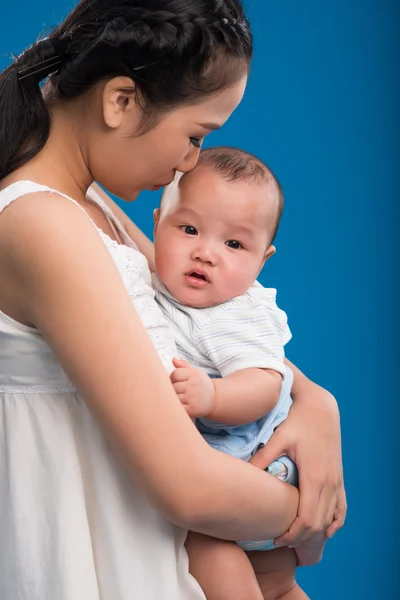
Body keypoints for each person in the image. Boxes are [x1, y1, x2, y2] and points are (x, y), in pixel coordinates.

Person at [0, 2, 346, 599]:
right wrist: (308, 512)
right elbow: (186, 485)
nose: (191, 161)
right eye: (195, 135)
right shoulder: (42, 224)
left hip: (157, 555)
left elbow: (203, 320)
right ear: (121, 100)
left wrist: (319, 404)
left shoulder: (91, 208)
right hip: (112, 564)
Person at [139, 146, 309, 598]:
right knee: (277, 584)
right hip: (226, 472)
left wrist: (213, 396)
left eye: (234, 244)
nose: (205, 253)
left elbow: (265, 386)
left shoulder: (236, 313)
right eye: (189, 228)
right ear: (157, 224)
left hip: (250, 467)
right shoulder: (151, 287)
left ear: (262, 260)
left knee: (215, 559)